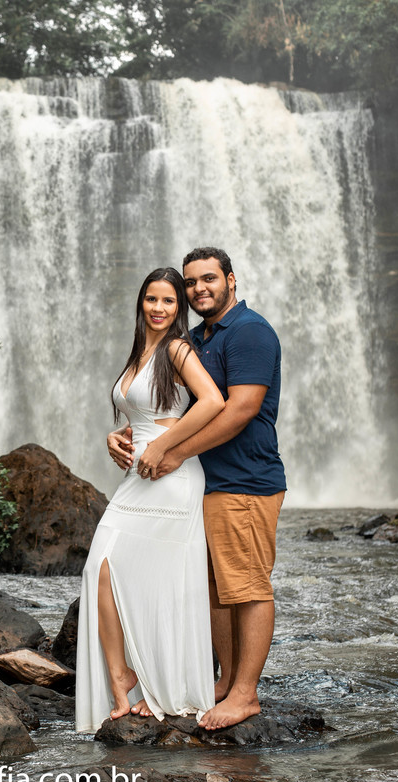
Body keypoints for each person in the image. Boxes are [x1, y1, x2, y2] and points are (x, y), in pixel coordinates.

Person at [112, 247, 286, 732]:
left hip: (245, 482)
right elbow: (165, 407)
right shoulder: (199, 337)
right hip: (205, 485)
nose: (198, 289)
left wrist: (176, 452)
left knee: (247, 586)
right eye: (191, 283)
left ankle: (245, 694)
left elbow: (239, 409)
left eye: (208, 279)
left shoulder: (249, 331)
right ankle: (227, 681)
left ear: (231, 279)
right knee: (213, 588)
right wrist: (125, 433)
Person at [75, 267, 226, 733]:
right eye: (151, 300)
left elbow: (212, 401)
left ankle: (163, 685)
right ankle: (124, 673)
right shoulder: (140, 352)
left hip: (171, 476)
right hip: (138, 478)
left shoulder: (178, 348)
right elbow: (138, 412)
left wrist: (164, 446)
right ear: (141, 303)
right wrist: (113, 436)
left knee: (161, 580)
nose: (159, 309)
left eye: (169, 302)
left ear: (178, 308)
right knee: (100, 566)